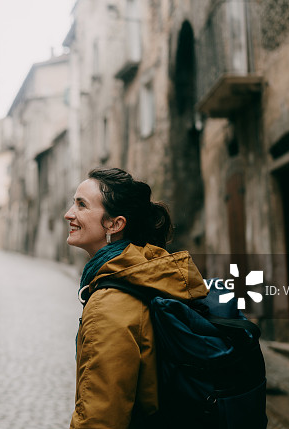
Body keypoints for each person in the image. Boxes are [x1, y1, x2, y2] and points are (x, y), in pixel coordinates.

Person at [65, 167, 208, 429]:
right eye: (73, 203)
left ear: (115, 224)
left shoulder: (109, 302)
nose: (69, 214)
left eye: (81, 205)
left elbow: (101, 418)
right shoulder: (144, 271)